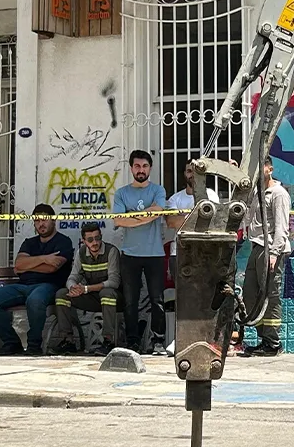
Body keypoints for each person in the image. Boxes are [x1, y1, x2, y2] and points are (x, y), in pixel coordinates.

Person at [0, 204, 73, 355]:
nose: (41, 224)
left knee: (35, 300)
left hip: (49, 285)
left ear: (53, 220)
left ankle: (34, 345)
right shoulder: (29, 242)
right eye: (37, 221)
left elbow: (53, 268)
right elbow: (18, 265)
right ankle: (11, 342)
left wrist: (28, 265)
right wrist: (44, 259)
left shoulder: (63, 241)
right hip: (23, 285)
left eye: (44, 220)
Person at [112, 150, 168, 354]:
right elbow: (118, 221)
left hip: (155, 254)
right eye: (137, 166)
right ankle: (132, 341)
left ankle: (158, 341)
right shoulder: (121, 193)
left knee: (157, 300)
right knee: (130, 301)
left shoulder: (158, 190)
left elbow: (159, 211)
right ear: (131, 168)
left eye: (145, 166)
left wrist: (132, 217)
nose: (141, 170)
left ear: (150, 168)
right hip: (129, 254)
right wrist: (147, 215)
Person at [164, 163, 220, 354]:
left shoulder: (211, 195)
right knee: (183, 298)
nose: (192, 174)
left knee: (204, 298)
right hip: (179, 253)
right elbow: (172, 222)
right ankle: (179, 341)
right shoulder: (175, 198)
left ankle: (204, 340)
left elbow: (213, 220)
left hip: (205, 254)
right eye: (189, 170)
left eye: (196, 171)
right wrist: (198, 215)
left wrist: (185, 215)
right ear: (184, 173)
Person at [241, 156, 291, 357]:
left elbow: (281, 226)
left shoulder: (278, 193)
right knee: (251, 295)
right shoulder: (256, 192)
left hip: (270, 249)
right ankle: (263, 339)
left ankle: (272, 343)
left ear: (270, 169)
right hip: (256, 247)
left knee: (271, 296)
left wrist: (275, 253)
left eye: (261, 166)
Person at [53, 222, 121, 356]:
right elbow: (72, 277)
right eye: (90, 240)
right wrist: (73, 288)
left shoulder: (111, 251)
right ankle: (67, 341)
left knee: (107, 293)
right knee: (62, 294)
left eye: (98, 238)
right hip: (92, 297)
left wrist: (86, 288)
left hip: (114, 298)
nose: (95, 242)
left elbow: (114, 282)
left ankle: (108, 341)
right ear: (84, 241)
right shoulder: (81, 253)